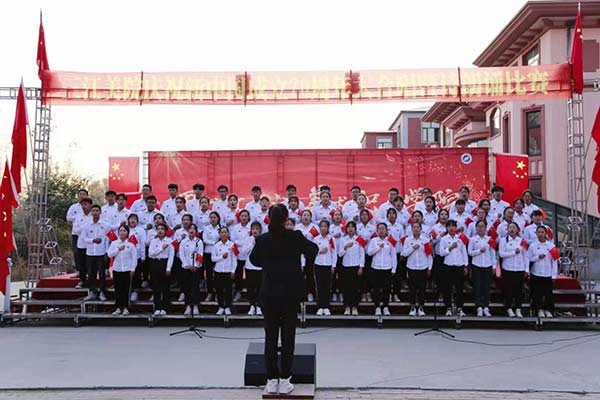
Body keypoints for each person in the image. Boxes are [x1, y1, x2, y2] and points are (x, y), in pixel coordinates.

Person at [249, 204, 318, 395]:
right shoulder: (295, 237)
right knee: (288, 338)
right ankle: (285, 380)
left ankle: (272, 380)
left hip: (269, 294)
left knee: (270, 338)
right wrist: (306, 272)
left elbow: (254, 260)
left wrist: (269, 262)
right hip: (290, 295)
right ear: (286, 218)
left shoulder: (262, 239)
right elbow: (313, 249)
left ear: (269, 218)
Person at [402, 221, 433, 316]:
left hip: (423, 267)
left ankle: (421, 307)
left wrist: (429, 267)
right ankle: (412, 307)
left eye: (417, 227)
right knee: (412, 289)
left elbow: (429, 255)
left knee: (422, 289)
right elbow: (404, 254)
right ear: (411, 229)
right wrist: (412, 248)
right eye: (414, 227)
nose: (416, 229)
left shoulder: (425, 240)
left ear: (420, 229)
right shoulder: (408, 240)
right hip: (411, 267)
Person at [498, 222, 529, 318]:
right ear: (507, 229)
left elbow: (526, 256)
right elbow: (501, 254)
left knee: (519, 290)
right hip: (508, 268)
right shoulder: (503, 240)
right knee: (508, 290)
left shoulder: (522, 241)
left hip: (519, 268)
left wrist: (526, 269)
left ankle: (518, 308)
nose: (512, 229)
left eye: (514, 227)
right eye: (510, 227)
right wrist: (513, 252)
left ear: (517, 230)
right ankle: (509, 308)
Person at [527, 225, 559, 318]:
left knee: (548, 293)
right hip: (536, 272)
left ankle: (548, 309)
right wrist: (537, 258)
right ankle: (539, 309)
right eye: (538, 232)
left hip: (547, 273)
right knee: (537, 293)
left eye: (542, 232)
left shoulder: (551, 246)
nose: (540, 234)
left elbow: (555, 261)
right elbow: (528, 258)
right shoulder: (533, 246)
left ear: (545, 234)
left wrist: (554, 275)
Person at [439, 219, 469, 317]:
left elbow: (464, 252)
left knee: (459, 288)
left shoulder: (460, 238)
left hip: (459, 265)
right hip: (448, 265)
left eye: (453, 226)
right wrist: (450, 248)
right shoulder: (444, 239)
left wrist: (465, 265)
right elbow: (441, 253)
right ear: (446, 228)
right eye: (449, 226)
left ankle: (460, 308)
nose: (451, 228)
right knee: (447, 288)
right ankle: (448, 308)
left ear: (456, 228)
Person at [367, 223, 397, 316]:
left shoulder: (390, 240)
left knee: (386, 289)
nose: (381, 230)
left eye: (383, 229)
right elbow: (369, 252)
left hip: (387, 268)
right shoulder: (374, 240)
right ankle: (377, 307)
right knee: (376, 288)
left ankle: (385, 306)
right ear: (377, 230)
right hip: (376, 267)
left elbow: (393, 255)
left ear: (386, 230)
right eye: (379, 229)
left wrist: (394, 269)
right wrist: (378, 247)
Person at [82, 205, 111, 302]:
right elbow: (83, 238)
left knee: (102, 274)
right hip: (90, 253)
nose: (95, 212)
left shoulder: (105, 225)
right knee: (91, 274)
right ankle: (92, 292)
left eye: (97, 210)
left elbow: (107, 240)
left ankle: (102, 292)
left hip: (101, 253)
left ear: (100, 212)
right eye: (93, 211)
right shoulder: (87, 225)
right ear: (91, 212)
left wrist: (107, 252)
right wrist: (92, 240)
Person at [468, 220, 496, 317]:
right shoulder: (472, 239)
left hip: (487, 265)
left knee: (486, 287)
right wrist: (479, 251)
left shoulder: (490, 239)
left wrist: (494, 266)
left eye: (482, 226)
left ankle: (486, 307)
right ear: (476, 228)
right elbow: (470, 252)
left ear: (485, 228)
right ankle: (479, 307)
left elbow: (493, 254)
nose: (480, 228)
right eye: (479, 226)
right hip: (476, 265)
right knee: (477, 286)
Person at [107, 225, 137, 316]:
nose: (122, 232)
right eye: (120, 230)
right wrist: (118, 249)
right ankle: (118, 308)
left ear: (127, 232)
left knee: (126, 290)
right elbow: (109, 254)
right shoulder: (114, 243)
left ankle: (126, 308)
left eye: (124, 231)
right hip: (117, 269)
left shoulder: (131, 245)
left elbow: (134, 258)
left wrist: (132, 269)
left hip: (127, 270)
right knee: (118, 289)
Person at [147, 223, 175, 315]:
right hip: (155, 263)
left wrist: (168, 268)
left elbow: (171, 256)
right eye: (158, 229)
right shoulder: (153, 241)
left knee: (165, 287)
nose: (160, 231)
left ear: (165, 231)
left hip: (165, 263)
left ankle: (165, 308)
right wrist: (161, 248)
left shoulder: (169, 241)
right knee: (156, 287)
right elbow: (151, 254)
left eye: (162, 229)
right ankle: (157, 308)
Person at [338, 221, 364, 315]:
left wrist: (361, 266)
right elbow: (340, 254)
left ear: (355, 229)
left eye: (352, 227)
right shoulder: (343, 240)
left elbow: (362, 254)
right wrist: (345, 247)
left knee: (355, 287)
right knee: (347, 287)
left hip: (356, 266)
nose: (350, 229)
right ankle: (347, 307)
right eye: (348, 227)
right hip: (346, 266)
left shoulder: (359, 239)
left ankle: (355, 307)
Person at [178, 224, 204, 316]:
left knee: (195, 287)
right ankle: (188, 305)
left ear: (196, 231)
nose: (192, 230)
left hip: (196, 268)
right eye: (190, 228)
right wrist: (187, 265)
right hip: (186, 267)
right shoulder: (183, 241)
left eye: (193, 229)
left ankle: (196, 305)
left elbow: (200, 254)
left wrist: (196, 265)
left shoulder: (199, 242)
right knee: (187, 287)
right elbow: (181, 254)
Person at [212, 227, 238, 315]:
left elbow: (234, 259)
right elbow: (213, 258)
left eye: (225, 232)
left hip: (228, 271)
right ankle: (220, 306)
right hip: (218, 271)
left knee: (228, 290)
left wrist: (233, 271)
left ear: (228, 234)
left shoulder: (232, 245)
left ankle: (227, 307)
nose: (224, 234)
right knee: (219, 290)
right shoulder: (216, 245)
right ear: (219, 235)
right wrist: (221, 257)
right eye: (222, 232)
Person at [313, 220, 337, 316]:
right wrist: (320, 251)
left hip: (328, 265)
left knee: (327, 287)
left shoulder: (331, 239)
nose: (323, 228)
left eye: (325, 226)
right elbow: (312, 253)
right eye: (321, 226)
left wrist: (333, 265)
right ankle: (319, 307)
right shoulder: (316, 239)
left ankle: (326, 307)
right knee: (319, 286)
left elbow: (334, 253)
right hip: (318, 264)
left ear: (328, 228)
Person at [295, 209, 319, 302]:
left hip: (311, 255)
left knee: (310, 274)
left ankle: (310, 292)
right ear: (301, 217)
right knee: (300, 275)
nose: (306, 217)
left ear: (311, 217)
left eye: (308, 215)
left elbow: (317, 240)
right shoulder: (297, 227)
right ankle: (301, 293)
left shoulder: (315, 227)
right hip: (300, 255)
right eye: (304, 215)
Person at [242, 221, 264, 316]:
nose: (255, 231)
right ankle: (252, 306)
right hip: (249, 267)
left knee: (260, 287)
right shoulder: (248, 239)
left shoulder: (263, 239)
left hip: (260, 267)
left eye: (257, 229)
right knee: (250, 287)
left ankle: (259, 306)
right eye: (253, 229)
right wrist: (252, 244)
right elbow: (243, 252)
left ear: (260, 230)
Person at [72, 198, 93, 289]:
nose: (84, 206)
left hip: (92, 244)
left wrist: (84, 229)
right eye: (82, 205)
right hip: (81, 243)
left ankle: (92, 282)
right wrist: (84, 228)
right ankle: (82, 280)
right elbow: (75, 230)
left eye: (86, 204)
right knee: (82, 264)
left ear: (90, 205)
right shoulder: (79, 216)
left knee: (91, 264)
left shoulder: (94, 215)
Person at [232, 209, 252, 302]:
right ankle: (238, 292)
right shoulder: (235, 228)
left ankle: (249, 293)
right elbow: (233, 240)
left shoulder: (251, 227)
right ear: (239, 217)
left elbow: (252, 239)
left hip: (249, 254)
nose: (244, 218)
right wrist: (245, 243)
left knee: (249, 274)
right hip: (239, 254)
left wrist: (244, 244)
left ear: (248, 217)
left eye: (245, 216)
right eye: (242, 216)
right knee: (238, 274)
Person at [66, 188, 89, 269]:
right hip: (76, 233)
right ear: (78, 196)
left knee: (87, 251)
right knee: (76, 251)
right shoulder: (73, 207)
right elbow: (68, 217)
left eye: (84, 194)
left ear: (87, 196)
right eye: (80, 194)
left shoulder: (90, 207)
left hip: (87, 233)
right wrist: (78, 217)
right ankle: (78, 269)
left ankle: (87, 269)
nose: (82, 196)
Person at [127, 213, 147, 300]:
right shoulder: (126, 229)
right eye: (131, 218)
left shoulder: (141, 230)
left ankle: (135, 291)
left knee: (136, 274)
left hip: (137, 255)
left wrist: (143, 256)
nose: (133, 220)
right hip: (126, 255)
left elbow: (142, 244)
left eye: (134, 219)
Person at [202, 211, 222, 302]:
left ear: (218, 218)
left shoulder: (221, 228)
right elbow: (205, 239)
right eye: (211, 217)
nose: (213, 219)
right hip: (208, 252)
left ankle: (218, 292)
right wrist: (214, 243)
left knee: (218, 274)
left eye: (214, 217)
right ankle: (210, 292)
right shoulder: (206, 228)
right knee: (209, 274)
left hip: (218, 253)